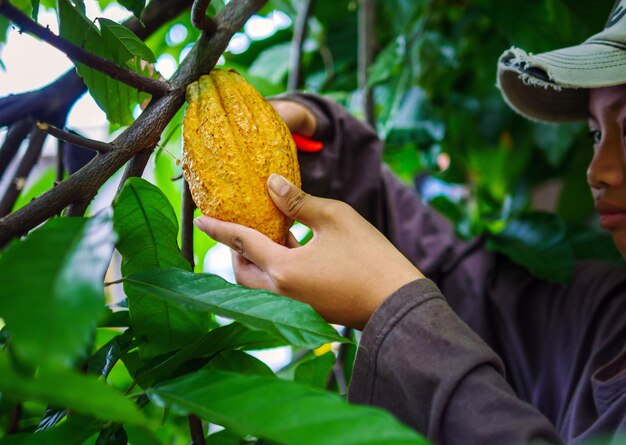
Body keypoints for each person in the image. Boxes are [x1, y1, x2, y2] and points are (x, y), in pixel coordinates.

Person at [194, 2, 626, 444]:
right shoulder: (608, 312)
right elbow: (462, 285)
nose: (599, 169)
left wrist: (391, 306)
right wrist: (317, 141)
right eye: (596, 133)